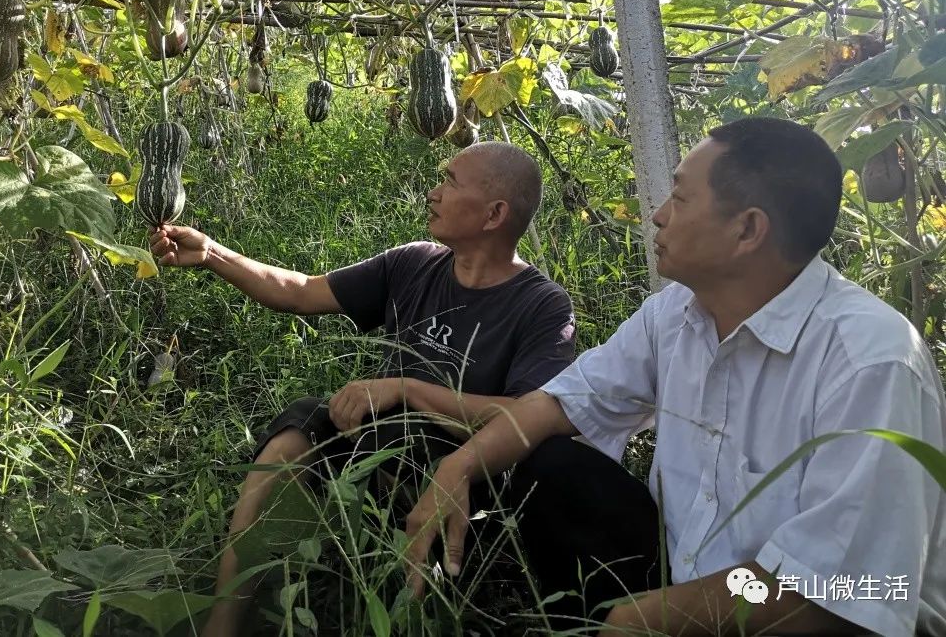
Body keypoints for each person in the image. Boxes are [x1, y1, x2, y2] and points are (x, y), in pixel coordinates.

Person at [404, 117, 946, 637]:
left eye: (681, 198)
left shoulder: (869, 362)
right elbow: (558, 404)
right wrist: (457, 467)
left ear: (748, 229)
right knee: (552, 463)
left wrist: (636, 622)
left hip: (802, 612)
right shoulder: (675, 314)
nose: (660, 215)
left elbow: (836, 590)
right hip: (695, 586)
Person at [151, 141, 596, 637]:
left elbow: (526, 414)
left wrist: (407, 389)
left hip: (461, 474)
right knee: (296, 430)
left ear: (494, 214)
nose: (433, 193)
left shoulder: (543, 306)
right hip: (374, 445)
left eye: (449, 182)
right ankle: (226, 620)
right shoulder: (414, 264)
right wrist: (212, 253)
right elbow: (300, 291)